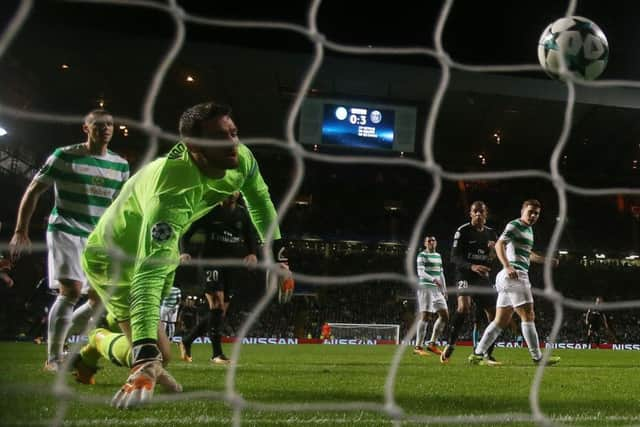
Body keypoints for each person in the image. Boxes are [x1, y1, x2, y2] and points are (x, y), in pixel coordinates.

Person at [74, 101, 290, 408]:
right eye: (220, 137)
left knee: (153, 347)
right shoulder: (172, 190)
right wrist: (146, 359)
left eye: (234, 133)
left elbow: (259, 200)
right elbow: (145, 278)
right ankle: (97, 340)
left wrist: (278, 256)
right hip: (115, 256)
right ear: (193, 145)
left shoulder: (240, 157)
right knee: (160, 354)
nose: (233, 143)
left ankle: (117, 322)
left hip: (162, 252)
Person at [9, 109, 129, 371]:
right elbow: (34, 190)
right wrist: (21, 229)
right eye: (97, 125)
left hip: (98, 237)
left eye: (109, 124)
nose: (104, 129)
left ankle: (59, 339)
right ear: (86, 128)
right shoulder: (65, 156)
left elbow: (117, 208)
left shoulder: (120, 165)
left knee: (99, 301)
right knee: (71, 291)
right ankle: (54, 359)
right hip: (65, 228)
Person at [469, 199, 561, 366]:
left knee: (500, 321)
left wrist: (545, 260)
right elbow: (499, 245)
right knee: (528, 315)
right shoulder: (515, 225)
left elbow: (527, 254)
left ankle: (477, 354)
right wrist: (508, 266)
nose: (533, 215)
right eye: (530, 212)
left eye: (536, 213)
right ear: (522, 211)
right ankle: (538, 357)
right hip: (515, 275)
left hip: (508, 277)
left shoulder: (528, 230)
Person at [178, 192, 259, 364]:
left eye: (235, 190)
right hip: (211, 262)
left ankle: (187, 339)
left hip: (233, 265)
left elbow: (251, 235)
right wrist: (184, 251)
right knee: (217, 304)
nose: (231, 193)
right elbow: (187, 232)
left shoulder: (242, 213)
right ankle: (217, 354)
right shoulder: (209, 211)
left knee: (219, 313)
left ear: (239, 193)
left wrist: (252, 253)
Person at [441, 201, 499, 364]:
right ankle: (451, 344)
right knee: (463, 307)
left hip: (481, 276)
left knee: (494, 315)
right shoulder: (463, 231)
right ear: (471, 214)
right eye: (475, 211)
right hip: (465, 274)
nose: (479, 214)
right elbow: (454, 257)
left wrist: (493, 251)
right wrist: (471, 266)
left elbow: (492, 257)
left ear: (486, 214)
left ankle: (488, 353)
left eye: (482, 211)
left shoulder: (491, 234)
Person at [413, 235, 448, 356]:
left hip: (437, 290)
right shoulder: (421, 255)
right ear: (425, 243)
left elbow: (441, 273)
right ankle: (418, 346)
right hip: (426, 287)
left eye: (433, 240)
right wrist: (433, 279)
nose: (431, 242)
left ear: (436, 242)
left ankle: (432, 344)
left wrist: (444, 289)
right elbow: (420, 272)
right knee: (426, 316)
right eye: (429, 241)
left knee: (445, 316)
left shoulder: (438, 256)